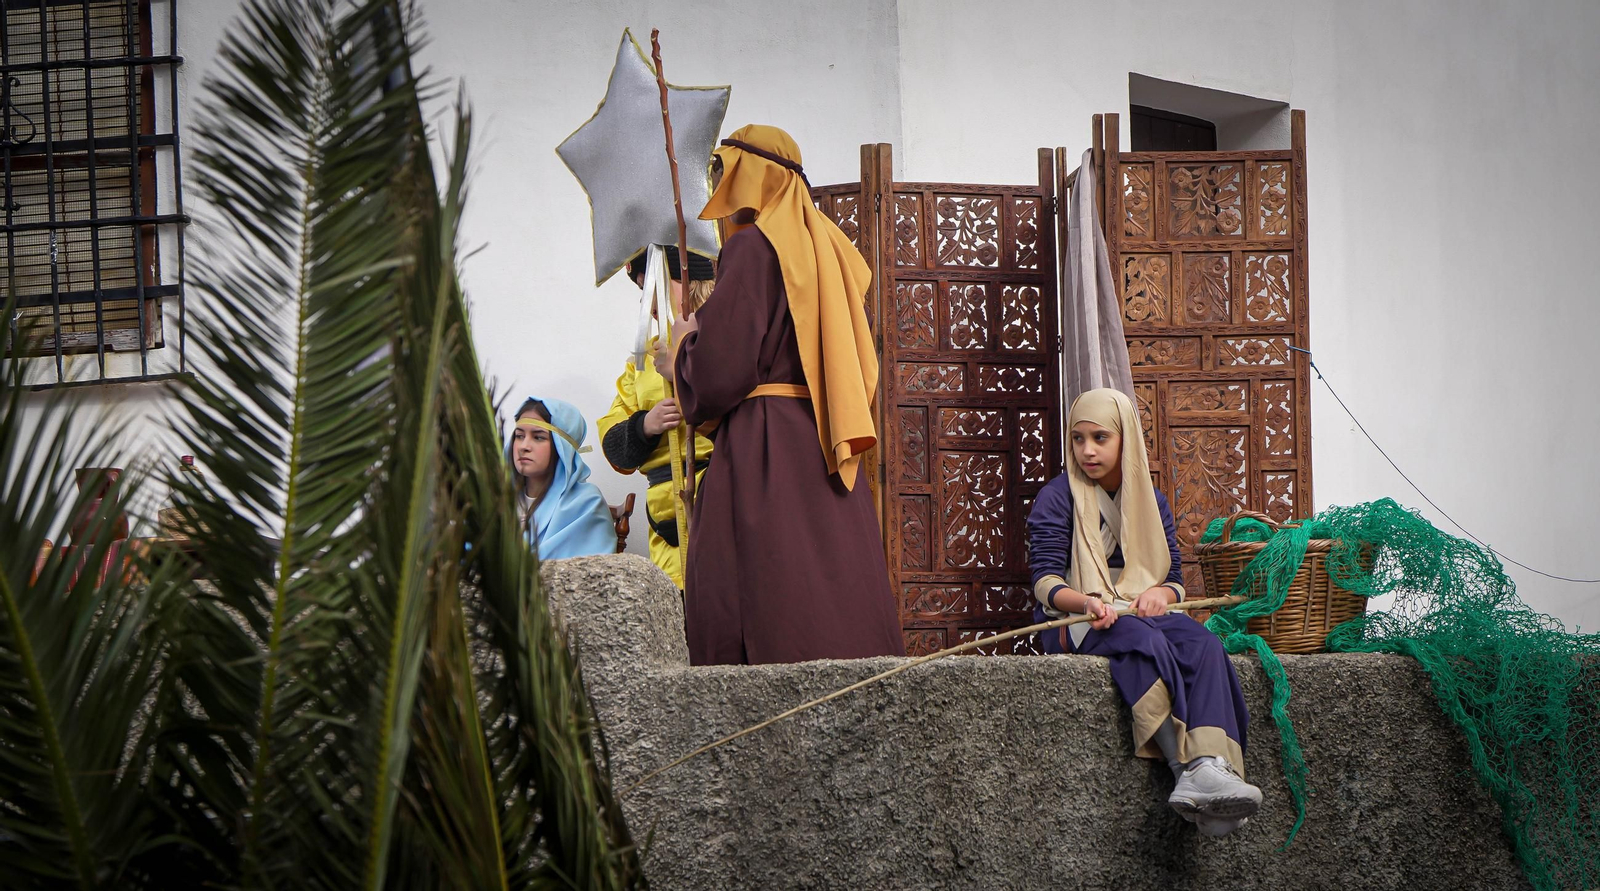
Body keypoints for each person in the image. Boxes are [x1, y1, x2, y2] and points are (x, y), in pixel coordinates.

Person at [665, 124, 904, 666]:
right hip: (818, 433)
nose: (718, 191)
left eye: (724, 174)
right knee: (832, 586)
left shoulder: (753, 246)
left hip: (763, 445)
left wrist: (683, 349)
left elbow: (722, 371)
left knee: (760, 589)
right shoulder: (828, 245)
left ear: (749, 177)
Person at [1026, 387, 1260, 836]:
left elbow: (1172, 577)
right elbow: (1044, 582)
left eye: (1100, 438)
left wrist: (1163, 596)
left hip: (1138, 612)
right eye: (1078, 439)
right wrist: (1087, 602)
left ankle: (1214, 762)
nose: (1087, 450)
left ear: (1125, 439)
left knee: (1204, 643)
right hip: (1076, 620)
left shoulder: (1152, 502)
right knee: (1144, 643)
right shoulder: (1057, 498)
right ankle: (1184, 769)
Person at [596, 248, 717, 589]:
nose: (647, 303)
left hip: (719, 490)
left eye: (654, 287)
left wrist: (681, 375)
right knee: (676, 613)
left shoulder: (723, 336)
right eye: (641, 290)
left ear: (687, 279)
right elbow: (612, 439)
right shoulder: (643, 357)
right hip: (664, 516)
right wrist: (644, 425)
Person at [509, 396, 614, 560]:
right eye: (519, 436)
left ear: (562, 447)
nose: (524, 446)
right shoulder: (497, 499)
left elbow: (594, 574)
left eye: (538, 437)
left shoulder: (586, 503)